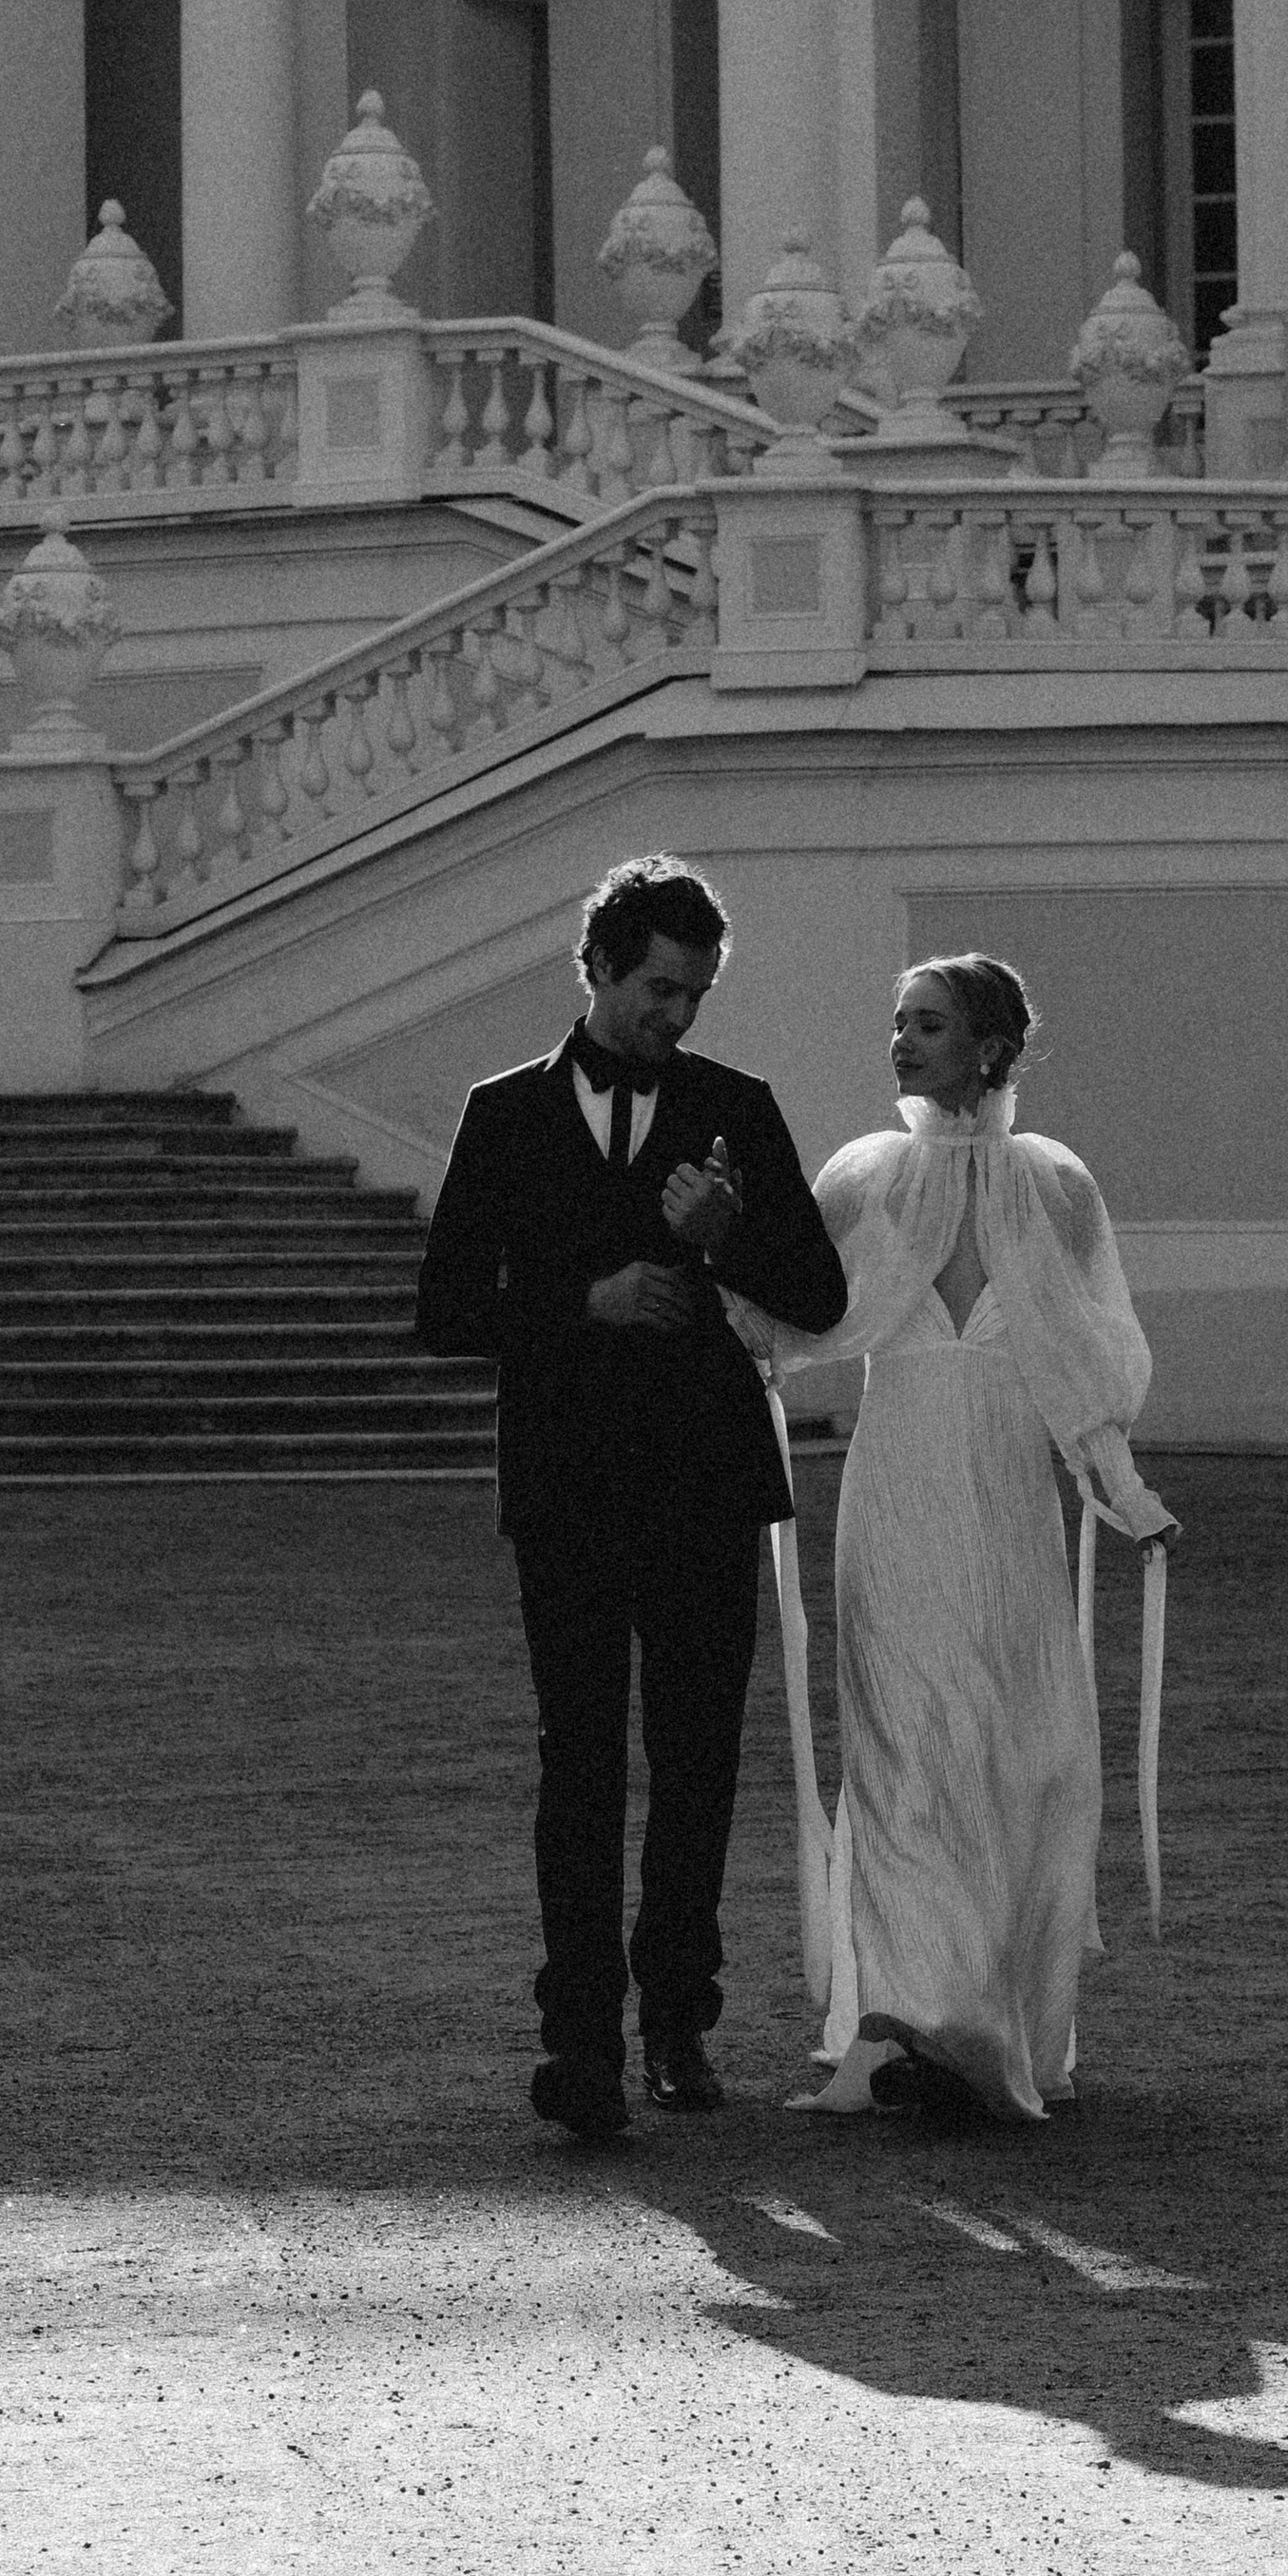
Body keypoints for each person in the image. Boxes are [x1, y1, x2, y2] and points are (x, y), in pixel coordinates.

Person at [414, 855, 848, 2142]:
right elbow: (442, 1309)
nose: (679, 1016)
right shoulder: (503, 1114)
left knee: (702, 1760)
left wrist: (723, 1236)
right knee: (581, 1766)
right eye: (661, 988)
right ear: (597, 966)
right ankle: (579, 2042)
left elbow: (818, 1296)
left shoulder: (736, 1106)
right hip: (567, 1486)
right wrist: (578, 1301)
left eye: (697, 994)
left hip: (708, 1478)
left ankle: (679, 2020)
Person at [757, 956, 1176, 2125]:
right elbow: (784, 1316)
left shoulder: (1057, 1187)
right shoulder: (864, 1177)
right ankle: (887, 2024)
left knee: (1021, 1747)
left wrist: (1121, 1489)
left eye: (928, 1024)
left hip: (1005, 1500)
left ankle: (1002, 2019)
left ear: (989, 1046)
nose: (901, 1041)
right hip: (895, 1496)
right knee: (898, 1746)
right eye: (896, 1021)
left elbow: (1096, 1360)